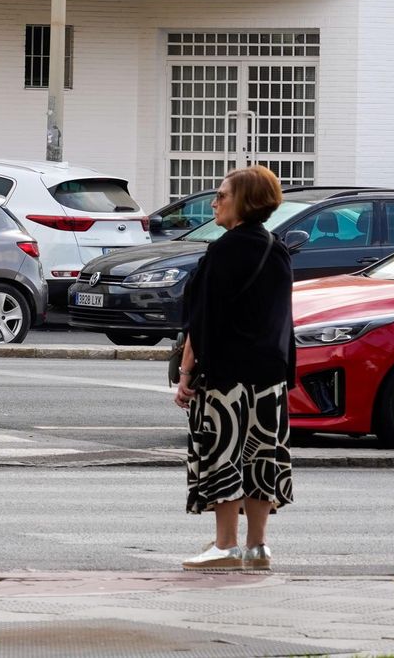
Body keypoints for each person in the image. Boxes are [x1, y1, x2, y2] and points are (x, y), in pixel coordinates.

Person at [173, 165, 295, 572]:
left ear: (245, 200)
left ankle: (225, 545)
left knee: (224, 453)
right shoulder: (276, 248)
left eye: (222, 195)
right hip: (269, 374)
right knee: (262, 455)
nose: (214, 203)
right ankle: (257, 547)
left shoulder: (222, 251)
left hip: (226, 373)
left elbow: (202, 321)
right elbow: (283, 318)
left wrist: (185, 374)